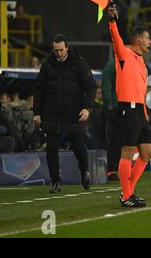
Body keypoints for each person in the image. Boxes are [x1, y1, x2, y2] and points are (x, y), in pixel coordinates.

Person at [33, 34, 96, 194]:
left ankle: (85, 171)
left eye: (61, 50)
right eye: (56, 50)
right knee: (51, 149)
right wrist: (37, 112)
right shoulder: (47, 65)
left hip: (74, 113)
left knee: (78, 147)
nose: (58, 53)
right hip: (52, 113)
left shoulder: (79, 64)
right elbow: (38, 90)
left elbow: (90, 88)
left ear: (67, 47)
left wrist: (87, 108)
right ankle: (55, 182)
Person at [108, 3, 151, 208]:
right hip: (128, 108)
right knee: (127, 152)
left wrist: (145, 112)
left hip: (140, 110)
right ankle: (126, 196)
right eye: (147, 38)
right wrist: (112, 20)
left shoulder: (141, 61)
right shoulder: (124, 54)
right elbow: (116, 39)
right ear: (138, 40)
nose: (150, 42)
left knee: (146, 153)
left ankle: (129, 192)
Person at [101, 58, 120, 181]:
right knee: (114, 139)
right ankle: (112, 170)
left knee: (120, 140)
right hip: (114, 108)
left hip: (122, 106)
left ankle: (117, 168)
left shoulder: (120, 64)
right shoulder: (111, 66)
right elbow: (107, 87)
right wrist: (110, 106)